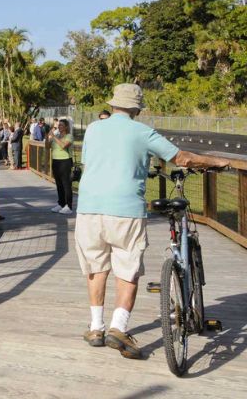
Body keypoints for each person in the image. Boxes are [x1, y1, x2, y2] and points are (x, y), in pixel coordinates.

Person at [75, 83, 228, 357]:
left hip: (88, 208)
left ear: (112, 105)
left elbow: (92, 162)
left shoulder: (94, 129)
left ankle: (96, 327)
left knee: (96, 268)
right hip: (125, 210)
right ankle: (118, 328)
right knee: (127, 268)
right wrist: (214, 161)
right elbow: (180, 158)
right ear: (135, 108)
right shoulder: (142, 132)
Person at [48, 119, 74, 214]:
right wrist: (48, 137)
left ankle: (69, 206)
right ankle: (61, 203)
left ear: (66, 127)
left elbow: (63, 146)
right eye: (59, 125)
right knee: (59, 184)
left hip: (65, 162)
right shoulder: (57, 136)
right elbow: (47, 147)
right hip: (56, 161)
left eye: (61, 125)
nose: (59, 127)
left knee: (66, 184)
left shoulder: (69, 136)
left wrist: (54, 137)